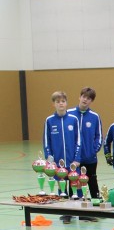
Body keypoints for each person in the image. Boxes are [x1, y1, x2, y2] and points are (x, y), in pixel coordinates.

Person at [44, 91, 81, 221]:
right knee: (62, 186)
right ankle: (66, 212)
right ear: (53, 104)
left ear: (66, 103)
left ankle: (80, 210)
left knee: (76, 185)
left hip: (72, 162)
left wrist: (77, 159)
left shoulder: (73, 119)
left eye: (63, 101)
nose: (61, 104)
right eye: (58, 101)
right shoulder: (49, 120)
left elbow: (78, 141)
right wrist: (50, 160)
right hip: (58, 163)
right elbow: (47, 142)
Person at [68, 87, 103, 203]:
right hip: (73, 158)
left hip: (89, 158)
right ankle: (71, 207)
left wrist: (93, 151)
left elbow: (99, 136)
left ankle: (96, 204)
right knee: (73, 182)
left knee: (92, 181)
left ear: (91, 101)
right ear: (79, 97)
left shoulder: (95, 116)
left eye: (88, 98)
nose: (85, 100)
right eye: (83, 97)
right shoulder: (69, 114)